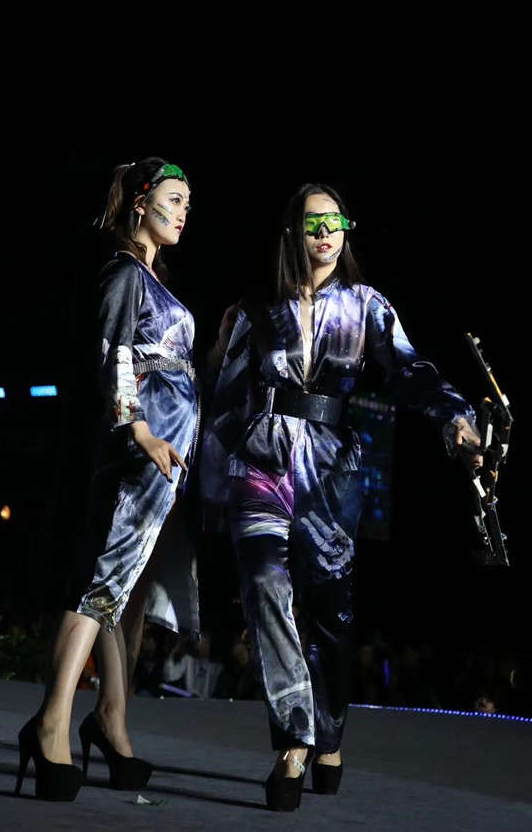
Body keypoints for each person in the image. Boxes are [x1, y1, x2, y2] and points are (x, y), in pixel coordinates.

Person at [200, 182, 482, 811]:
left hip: (331, 470)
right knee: (264, 588)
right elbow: (221, 393)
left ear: (347, 230)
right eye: (312, 223)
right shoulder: (256, 307)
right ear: (291, 233)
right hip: (261, 464)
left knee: (331, 613)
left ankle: (328, 736)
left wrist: (454, 419)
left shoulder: (367, 303)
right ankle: (294, 740)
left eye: (335, 222)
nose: (325, 233)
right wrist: (229, 450)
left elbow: (408, 367)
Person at [16, 157, 198, 801]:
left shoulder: (152, 279)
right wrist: (140, 429)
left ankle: (102, 721)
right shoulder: (124, 274)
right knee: (102, 583)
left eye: (188, 202)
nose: (183, 212)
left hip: (162, 467)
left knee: (123, 590)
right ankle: (52, 723)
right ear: (140, 203)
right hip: (136, 458)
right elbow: (113, 354)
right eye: (173, 198)